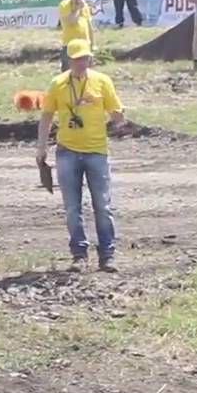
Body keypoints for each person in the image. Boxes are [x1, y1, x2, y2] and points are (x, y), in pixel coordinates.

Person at [36, 39, 127, 273]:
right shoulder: (58, 84)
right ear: (68, 60)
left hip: (96, 151)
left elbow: (117, 113)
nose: (80, 63)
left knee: (102, 205)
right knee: (72, 207)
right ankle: (79, 255)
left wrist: (118, 119)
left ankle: (107, 255)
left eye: (84, 58)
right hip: (67, 151)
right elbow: (46, 116)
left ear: (90, 58)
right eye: (76, 59)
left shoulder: (102, 81)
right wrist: (41, 147)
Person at [58, 0, 93, 70]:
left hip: (84, 44)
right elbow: (70, 21)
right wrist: (78, 9)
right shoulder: (64, 5)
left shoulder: (85, 6)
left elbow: (89, 25)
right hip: (70, 44)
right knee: (68, 71)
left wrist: (92, 43)